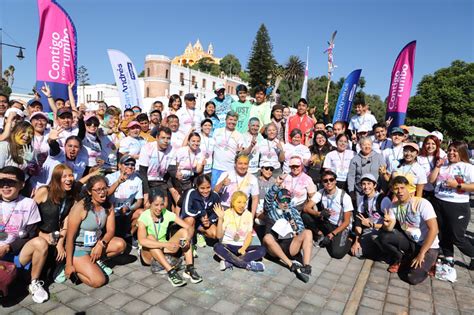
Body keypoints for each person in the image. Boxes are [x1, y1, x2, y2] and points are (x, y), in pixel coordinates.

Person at [65, 176, 126, 288]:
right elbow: (69, 238)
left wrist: (101, 244)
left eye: (104, 188)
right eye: (98, 190)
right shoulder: (80, 208)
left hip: (95, 245)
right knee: (99, 281)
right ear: (89, 192)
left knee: (121, 244)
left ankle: (94, 261)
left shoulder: (108, 206)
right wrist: (69, 264)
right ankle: (73, 268)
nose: (102, 192)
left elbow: (111, 231)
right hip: (80, 249)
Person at [0, 166, 49, 303]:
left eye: (11, 182)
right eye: (1, 182)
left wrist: (7, 247)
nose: (5, 186)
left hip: (15, 252)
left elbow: (31, 233)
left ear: (21, 184)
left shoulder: (28, 204)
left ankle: (34, 282)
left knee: (40, 243)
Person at [378, 176, 439, 284]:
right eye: (396, 189)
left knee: (412, 278)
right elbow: (390, 228)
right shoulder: (393, 206)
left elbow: (434, 230)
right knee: (384, 236)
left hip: (428, 246)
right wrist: (386, 224)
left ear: (408, 188)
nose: (399, 191)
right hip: (412, 242)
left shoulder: (422, 203)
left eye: (402, 188)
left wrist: (422, 253)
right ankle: (401, 258)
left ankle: (432, 262)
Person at [137, 191, 203, 286]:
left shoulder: (166, 213)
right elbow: (142, 241)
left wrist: (187, 239)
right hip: (148, 253)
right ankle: (171, 272)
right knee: (151, 238)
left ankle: (189, 268)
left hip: (164, 250)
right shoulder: (144, 217)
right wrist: (165, 244)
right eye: (156, 205)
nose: (159, 208)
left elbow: (189, 227)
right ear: (150, 203)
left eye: (162, 205)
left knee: (184, 232)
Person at [33, 164, 85, 282]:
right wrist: (42, 235)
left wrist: (60, 243)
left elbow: (66, 220)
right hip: (39, 235)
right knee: (45, 269)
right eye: (64, 176)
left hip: (57, 236)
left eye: (71, 175)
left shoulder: (71, 196)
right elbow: (29, 218)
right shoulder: (44, 191)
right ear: (56, 179)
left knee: (67, 251)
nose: (68, 179)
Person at [428, 141, 474, 270]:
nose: (451, 153)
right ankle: (449, 258)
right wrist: (437, 167)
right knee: (443, 233)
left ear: (462, 152)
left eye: (455, 150)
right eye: (449, 150)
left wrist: (457, 185)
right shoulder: (443, 165)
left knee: (457, 237)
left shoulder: (468, 167)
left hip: (457, 205)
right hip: (439, 202)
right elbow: (431, 181)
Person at [262, 179, 313, 283]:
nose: (285, 203)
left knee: (308, 232)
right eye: (282, 200)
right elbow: (268, 198)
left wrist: (295, 228)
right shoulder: (271, 208)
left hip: (290, 243)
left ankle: (307, 266)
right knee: (267, 238)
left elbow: (300, 227)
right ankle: (290, 264)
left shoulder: (292, 210)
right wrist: (276, 184)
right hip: (275, 245)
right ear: (277, 199)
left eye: (287, 200)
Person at [303, 170, 354, 259]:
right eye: (325, 181)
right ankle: (320, 234)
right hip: (327, 222)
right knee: (305, 215)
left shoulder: (344, 197)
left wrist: (332, 234)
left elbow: (346, 222)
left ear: (335, 181)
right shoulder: (321, 192)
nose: (329, 182)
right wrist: (319, 213)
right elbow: (306, 208)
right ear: (322, 183)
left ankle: (349, 240)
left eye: (331, 179)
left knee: (336, 254)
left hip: (340, 227)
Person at [213, 192, 266, 271]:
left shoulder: (248, 215)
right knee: (217, 247)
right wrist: (220, 219)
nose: (242, 205)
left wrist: (243, 248)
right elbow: (218, 236)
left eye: (244, 202)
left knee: (262, 250)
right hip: (228, 246)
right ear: (233, 202)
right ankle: (246, 265)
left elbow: (249, 234)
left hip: (242, 247)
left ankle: (230, 261)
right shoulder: (226, 213)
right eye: (239, 202)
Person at [350, 174, 390, 259]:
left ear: (375, 185)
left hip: (383, 230)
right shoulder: (363, 199)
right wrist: (356, 241)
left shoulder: (383, 200)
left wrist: (371, 225)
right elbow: (358, 220)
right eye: (363, 184)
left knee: (374, 242)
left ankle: (386, 253)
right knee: (357, 253)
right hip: (370, 229)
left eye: (369, 183)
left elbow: (391, 225)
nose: (366, 186)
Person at [138, 126, 178, 209]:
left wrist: (178, 174)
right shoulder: (147, 148)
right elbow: (142, 172)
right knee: (149, 205)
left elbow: (171, 170)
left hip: (162, 181)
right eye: (163, 138)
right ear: (156, 137)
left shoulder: (172, 149)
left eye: (168, 138)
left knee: (164, 206)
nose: (166, 141)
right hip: (147, 180)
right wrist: (146, 193)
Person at [106, 155, 144, 239]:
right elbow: (105, 195)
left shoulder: (138, 180)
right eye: (127, 164)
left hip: (127, 211)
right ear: (119, 165)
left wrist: (129, 208)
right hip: (111, 211)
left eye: (133, 164)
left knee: (142, 213)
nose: (130, 166)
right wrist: (118, 182)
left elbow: (139, 201)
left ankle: (129, 235)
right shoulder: (110, 177)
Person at [180, 174, 221, 244]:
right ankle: (189, 244)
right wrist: (201, 213)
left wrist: (210, 221)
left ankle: (199, 233)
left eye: (208, 187)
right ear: (197, 186)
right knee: (190, 220)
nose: (205, 191)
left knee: (214, 234)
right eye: (202, 188)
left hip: (203, 223)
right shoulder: (191, 193)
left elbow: (217, 213)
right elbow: (186, 211)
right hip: (191, 220)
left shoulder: (215, 195)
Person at [347, 137, 386, 205]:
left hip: (376, 190)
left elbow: (383, 173)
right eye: (364, 145)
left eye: (369, 144)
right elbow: (351, 176)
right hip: (360, 191)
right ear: (360, 146)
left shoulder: (379, 157)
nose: (367, 147)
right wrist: (351, 191)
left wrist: (383, 188)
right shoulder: (355, 159)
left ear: (372, 145)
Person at [211, 111, 244, 187]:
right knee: (215, 193)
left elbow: (241, 153)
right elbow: (211, 150)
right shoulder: (217, 131)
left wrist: (240, 152)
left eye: (234, 120)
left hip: (230, 170)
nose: (232, 122)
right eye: (230, 119)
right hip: (216, 168)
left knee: (228, 195)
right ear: (226, 120)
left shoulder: (239, 135)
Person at [173, 132, 205, 196]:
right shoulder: (182, 150)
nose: (196, 143)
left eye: (198, 141)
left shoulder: (200, 151)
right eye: (193, 141)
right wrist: (177, 173)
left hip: (189, 179)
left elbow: (198, 170)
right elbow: (175, 164)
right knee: (179, 200)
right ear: (188, 142)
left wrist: (202, 165)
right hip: (177, 178)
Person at [417, 135, 446, 199]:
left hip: (438, 191)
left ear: (437, 145)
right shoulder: (419, 158)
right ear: (424, 144)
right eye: (428, 143)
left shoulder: (442, 158)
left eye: (433, 144)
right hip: (422, 190)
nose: (430, 146)